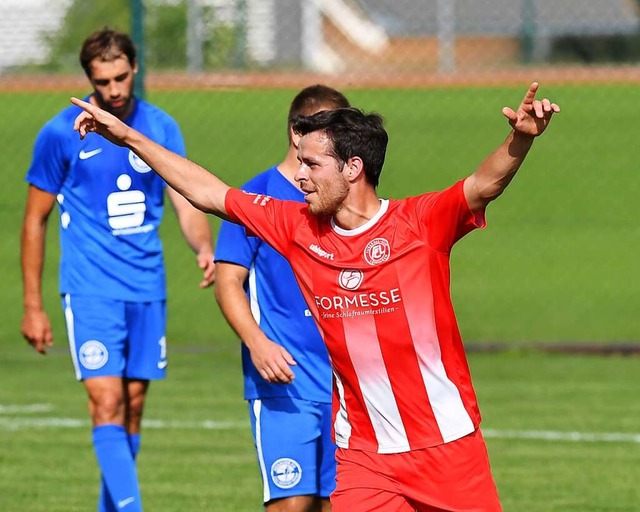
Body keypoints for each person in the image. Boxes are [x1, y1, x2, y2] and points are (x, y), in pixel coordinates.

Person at [70, 82, 559, 511]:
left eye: (310, 164)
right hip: (366, 458)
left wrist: (520, 139)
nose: (298, 175)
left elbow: (483, 184)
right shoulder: (297, 226)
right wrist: (129, 136)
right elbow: (210, 193)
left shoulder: (419, 223)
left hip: (447, 448)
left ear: (352, 168)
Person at [21, 29, 215, 512]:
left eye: (122, 76)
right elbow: (34, 220)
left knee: (133, 409)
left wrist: (203, 247)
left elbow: (185, 198)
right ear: (89, 79)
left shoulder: (160, 126)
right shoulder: (60, 132)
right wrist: (32, 306)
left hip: (147, 286)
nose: (114, 89)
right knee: (106, 403)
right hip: (90, 290)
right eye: (103, 80)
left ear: (135, 69)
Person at [214, 85, 350, 512]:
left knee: (336, 504)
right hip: (283, 381)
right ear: (297, 132)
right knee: (291, 505)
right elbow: (227, 282)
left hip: (344, 383)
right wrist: (257, 343)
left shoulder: (343, 200)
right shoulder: (256, 198)